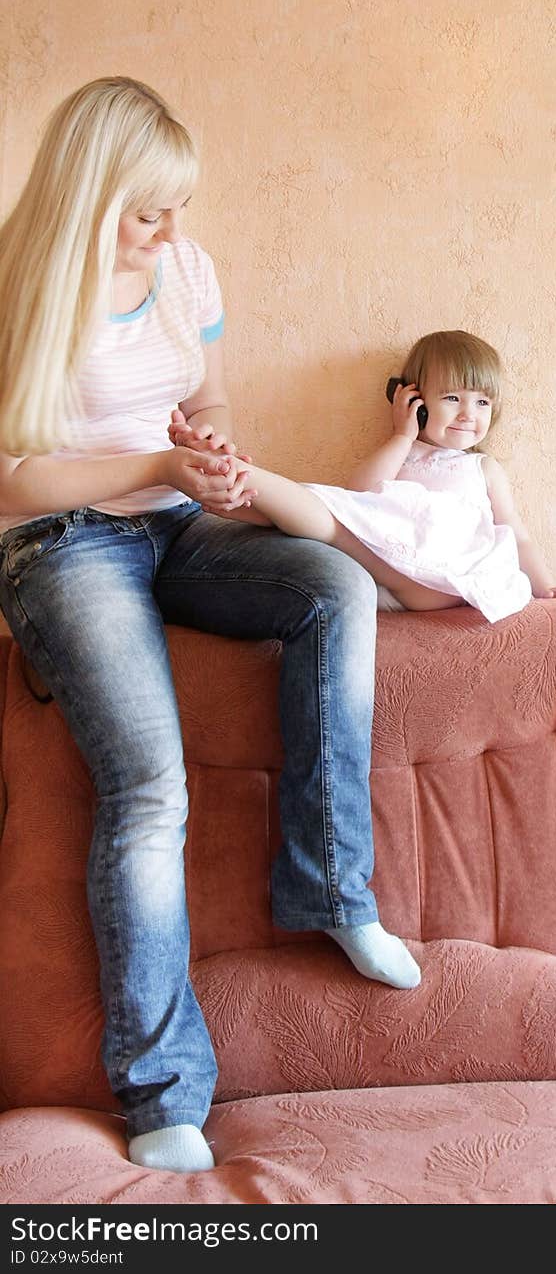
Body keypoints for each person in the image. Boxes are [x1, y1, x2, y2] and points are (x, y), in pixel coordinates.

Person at [0, 76, 419, 1177]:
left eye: (180, 205)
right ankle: (160, 1090)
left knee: (331, 583)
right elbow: (9, 480)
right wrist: (151, 459)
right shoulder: (25, 278)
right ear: (91, 199)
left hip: (183, 522)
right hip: (65, 543)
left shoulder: (187, 270)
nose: (173, 231)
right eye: (149, 209)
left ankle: (331, 885)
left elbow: (212, 399)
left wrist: (214, 454)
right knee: (150, 785)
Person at [178, 328, 556, 622]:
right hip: (388, 583)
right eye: (452, 398)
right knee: (319, 520)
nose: (469, 414)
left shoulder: (481, 468)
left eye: (482, 402)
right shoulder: (403, 452)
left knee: (327, 518)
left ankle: (234, 477)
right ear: (414, 399)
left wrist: (545, 588)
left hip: (442, 580)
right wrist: (402, 434)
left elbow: (517, 534)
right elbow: (359, 494)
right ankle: (227, 487)